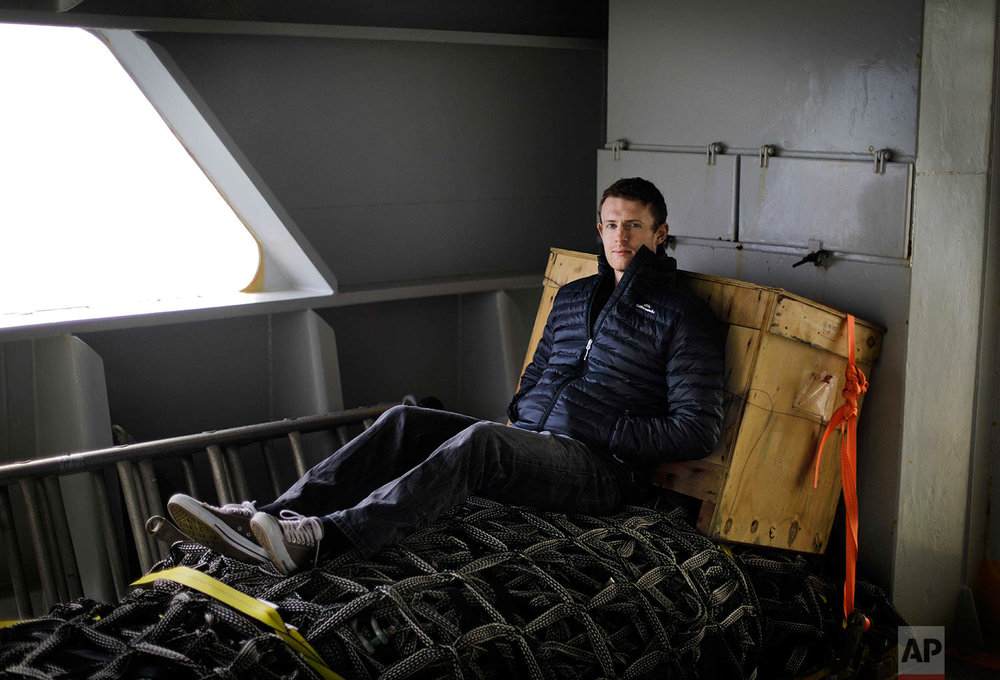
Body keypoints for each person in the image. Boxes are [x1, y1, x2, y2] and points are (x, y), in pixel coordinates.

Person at [167, 177, 725, 575]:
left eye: (634, 226)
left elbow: (697, 430)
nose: (620, 237)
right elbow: (534, 376)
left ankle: (327, 538)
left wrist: (605, 425)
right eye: (610, 225)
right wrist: (530, 411)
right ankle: (265, 518)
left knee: (481, 442)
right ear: (598, 228)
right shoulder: (575, 296)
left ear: (660, 232)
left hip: (602, 468)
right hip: (537, 440)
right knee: (406, 420)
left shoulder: (682, 313)